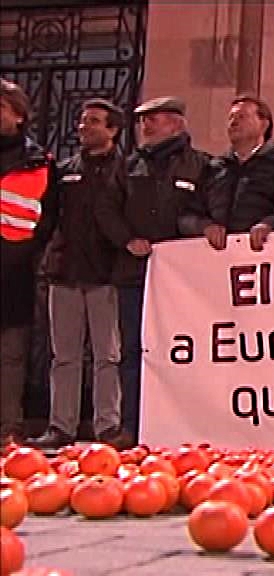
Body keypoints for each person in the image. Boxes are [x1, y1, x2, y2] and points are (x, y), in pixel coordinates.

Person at [95, 96, 212, 444]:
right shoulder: (128, 166)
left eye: (154, 119)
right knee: (133, 350)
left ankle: (184, 426)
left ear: (176, 123)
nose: (145, 126)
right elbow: (106, 209)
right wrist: (127, 240)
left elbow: (206, 211)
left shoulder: (201, 165)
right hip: (134, 275)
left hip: (183, 282)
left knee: (183, 351)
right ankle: (131, 425)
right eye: (142, 120)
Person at [26, 100, 127, 449]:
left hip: (105, 275)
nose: (84, 127)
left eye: (94, 121)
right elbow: (48, 218)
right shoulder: (64, 170)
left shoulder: (126, 170)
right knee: (64, 356)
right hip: (64, 272)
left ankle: (107, 426)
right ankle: (61, 426)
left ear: (113, 129)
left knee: (107, 356)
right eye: (82, 121)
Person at [0, 79, 58, 445]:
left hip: (14, 270)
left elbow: (49, 216)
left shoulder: (39, 162)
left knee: (11, 355)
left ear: (19, 115)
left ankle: (8, 427)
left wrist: (29, 252)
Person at [181, 95, 274, 250]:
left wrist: (270, 224)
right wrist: (205, 226)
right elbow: (188, 216)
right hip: (218, 257)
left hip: (267, 254)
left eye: (242, 117)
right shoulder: (213, 169)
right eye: (231, 117)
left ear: (264, 124)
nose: (234, 122)